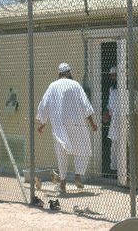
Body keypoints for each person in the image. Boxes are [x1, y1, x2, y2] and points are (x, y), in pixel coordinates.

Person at [37, 62, 98, 193]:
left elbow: (44, 104)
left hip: (60, 125)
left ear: (58, 74)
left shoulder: (53, 86)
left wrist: (43, 123)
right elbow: (85, 104)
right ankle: (77, 176)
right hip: (77, 124)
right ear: (69, 73)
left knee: (61, 154)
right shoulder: (76, 85)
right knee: (83, 149)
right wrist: (92, 123)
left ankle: (63, 183)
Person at [103, 66, 138, 182]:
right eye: (111, 76)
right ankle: (115, 171)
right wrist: (107, 114)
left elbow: (135, 109)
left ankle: (126, 172)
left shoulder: (131, 91)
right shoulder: (112, 90)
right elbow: (110, 107)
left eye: (115, 76)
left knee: (126, 146)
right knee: (114, 147)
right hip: (114, 123)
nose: (113, 78)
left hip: (126, 122)